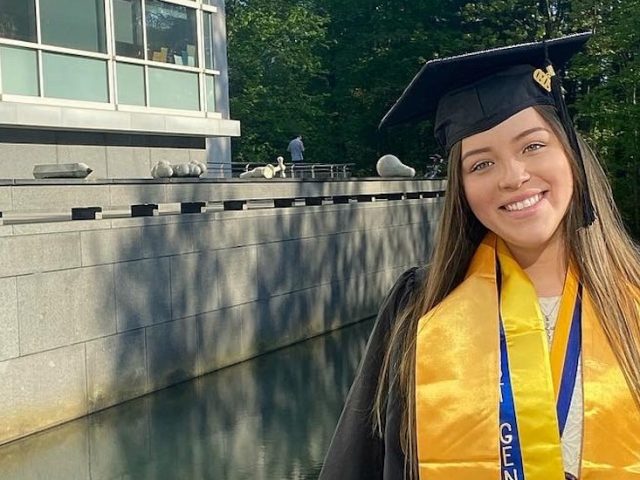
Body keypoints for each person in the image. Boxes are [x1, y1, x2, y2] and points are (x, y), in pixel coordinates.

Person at [319, 32, 640, 480]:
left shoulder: (634, 300)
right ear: (463, 189)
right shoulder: (421, 309)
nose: (513, 177)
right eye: (481, 164)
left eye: (532, 145)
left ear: (572, 154)